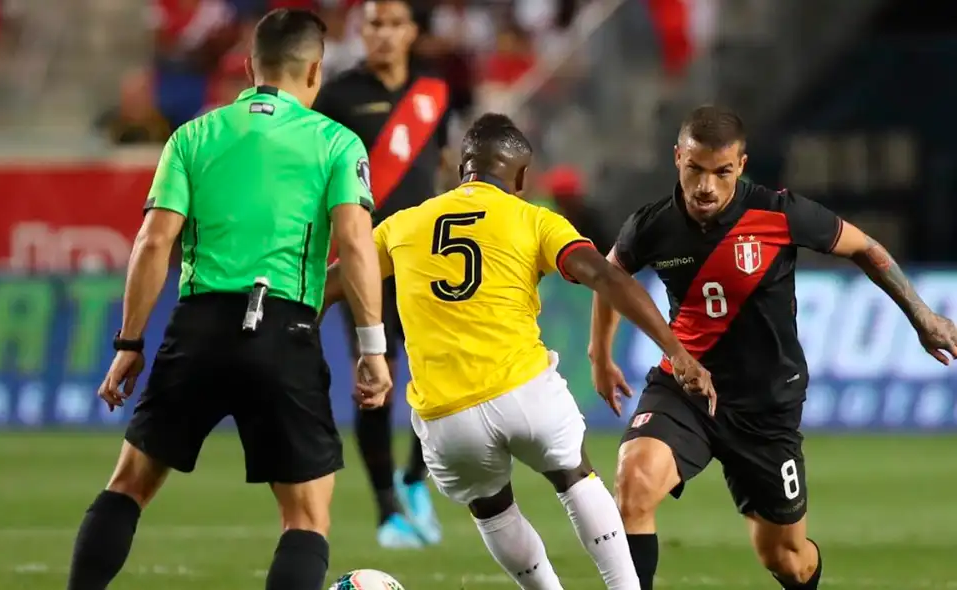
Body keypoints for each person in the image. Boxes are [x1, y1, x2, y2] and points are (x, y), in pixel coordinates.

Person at [65, 10, 391, 590]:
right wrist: (372, 346)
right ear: (315, 70)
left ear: (248, 68)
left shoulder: (192, 136)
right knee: (305, 516)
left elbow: (153, 242)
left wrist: (129, 342)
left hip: (197, 327)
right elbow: (355, 244)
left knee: (128, 485)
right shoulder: (337, 143)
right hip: (284, 330)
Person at [322, 113, 716, 590]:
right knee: (574, 476)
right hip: (522, 391)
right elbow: (608, 277)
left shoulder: (401, 226)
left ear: (462, 168)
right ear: (523, 177)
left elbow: (335, 283)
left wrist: (308, 335)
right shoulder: (534, 219)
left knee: (492, 509)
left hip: (446, 415)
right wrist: (676, 350)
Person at [589, 105, 957, 590]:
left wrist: (922, 316)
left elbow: (867, 248)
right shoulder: (651, 225)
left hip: (766, 406)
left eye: (721, 172)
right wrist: (601, 355)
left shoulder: (780, 214)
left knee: (786, 558)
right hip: (686, 390)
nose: (705, 186)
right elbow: (609, 279)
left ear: (740, 166)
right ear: (677, 157)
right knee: (633, 485)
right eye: (694, 169)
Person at [311, 0, 452, 548]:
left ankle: (415, 477)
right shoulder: (339, 95)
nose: (385, 34)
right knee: (375, 380)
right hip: (363, 259)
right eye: (374, 24)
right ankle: (387, 507)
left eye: (395, 24)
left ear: (413, 31)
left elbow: (439, 166)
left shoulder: (434, 93)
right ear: (360, 30)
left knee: (438, 376)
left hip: (424, 257)